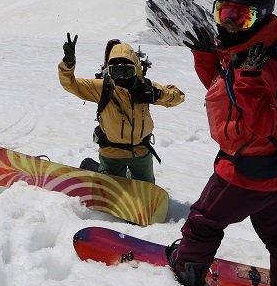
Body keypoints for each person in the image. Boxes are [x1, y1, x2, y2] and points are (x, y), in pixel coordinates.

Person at [168, 0, 277, 286]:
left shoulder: (258, 65)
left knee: (204, 221)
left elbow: (260, 122)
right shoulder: (251, 54)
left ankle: (187, 270)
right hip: (274, 170)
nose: (231, 23)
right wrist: (207, 59)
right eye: (224, 13)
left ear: (260, 17)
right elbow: (225, 91)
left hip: (243, 171)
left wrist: (247, 79)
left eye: (242, 16)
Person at [58, 35, 185, 183]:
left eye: (127, 71)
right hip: (111, 152)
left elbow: (178, 97)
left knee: (144, 188)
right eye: (116, 72)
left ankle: (121, 177)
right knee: (111, 187)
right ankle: (90, 166)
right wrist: (68, 63)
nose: (122, 77)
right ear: (109, 71)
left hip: (140, 151)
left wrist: (158, 94)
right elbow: (70, 84)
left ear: (136, 70)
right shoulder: (103, 88)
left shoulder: (146, 88)